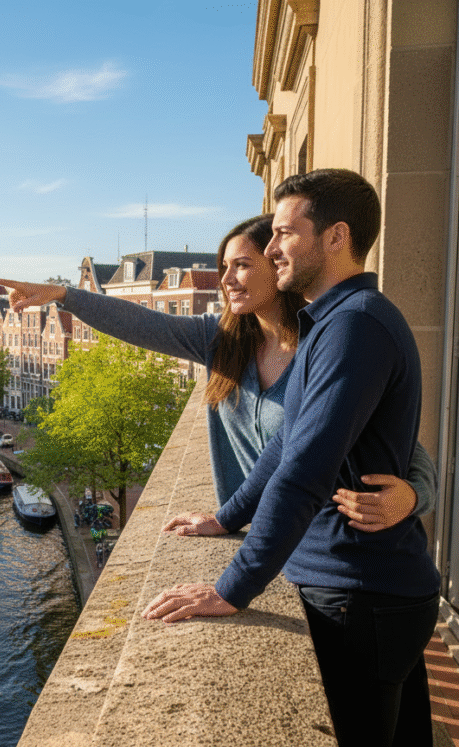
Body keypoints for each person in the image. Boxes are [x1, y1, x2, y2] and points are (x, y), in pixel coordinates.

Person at [141, 169, 440, 747]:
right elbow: (283, 446)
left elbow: (304, 470)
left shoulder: (355, 326)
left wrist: (231, 588)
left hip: (361, 595)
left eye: (285, 233)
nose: (272, 247)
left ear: (336, 237)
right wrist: (227, 517)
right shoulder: (331, 322)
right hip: (365, 591)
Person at [0, 213, 435, 528]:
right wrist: (63, 295)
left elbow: (402, 444)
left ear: (279, 268)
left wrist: (414, 497)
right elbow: (142, 324)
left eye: (242, 265)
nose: (226, 279)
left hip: (327, 550)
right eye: (224, 267)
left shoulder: (327, 345)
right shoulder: (220, 343)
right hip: (257, 540)